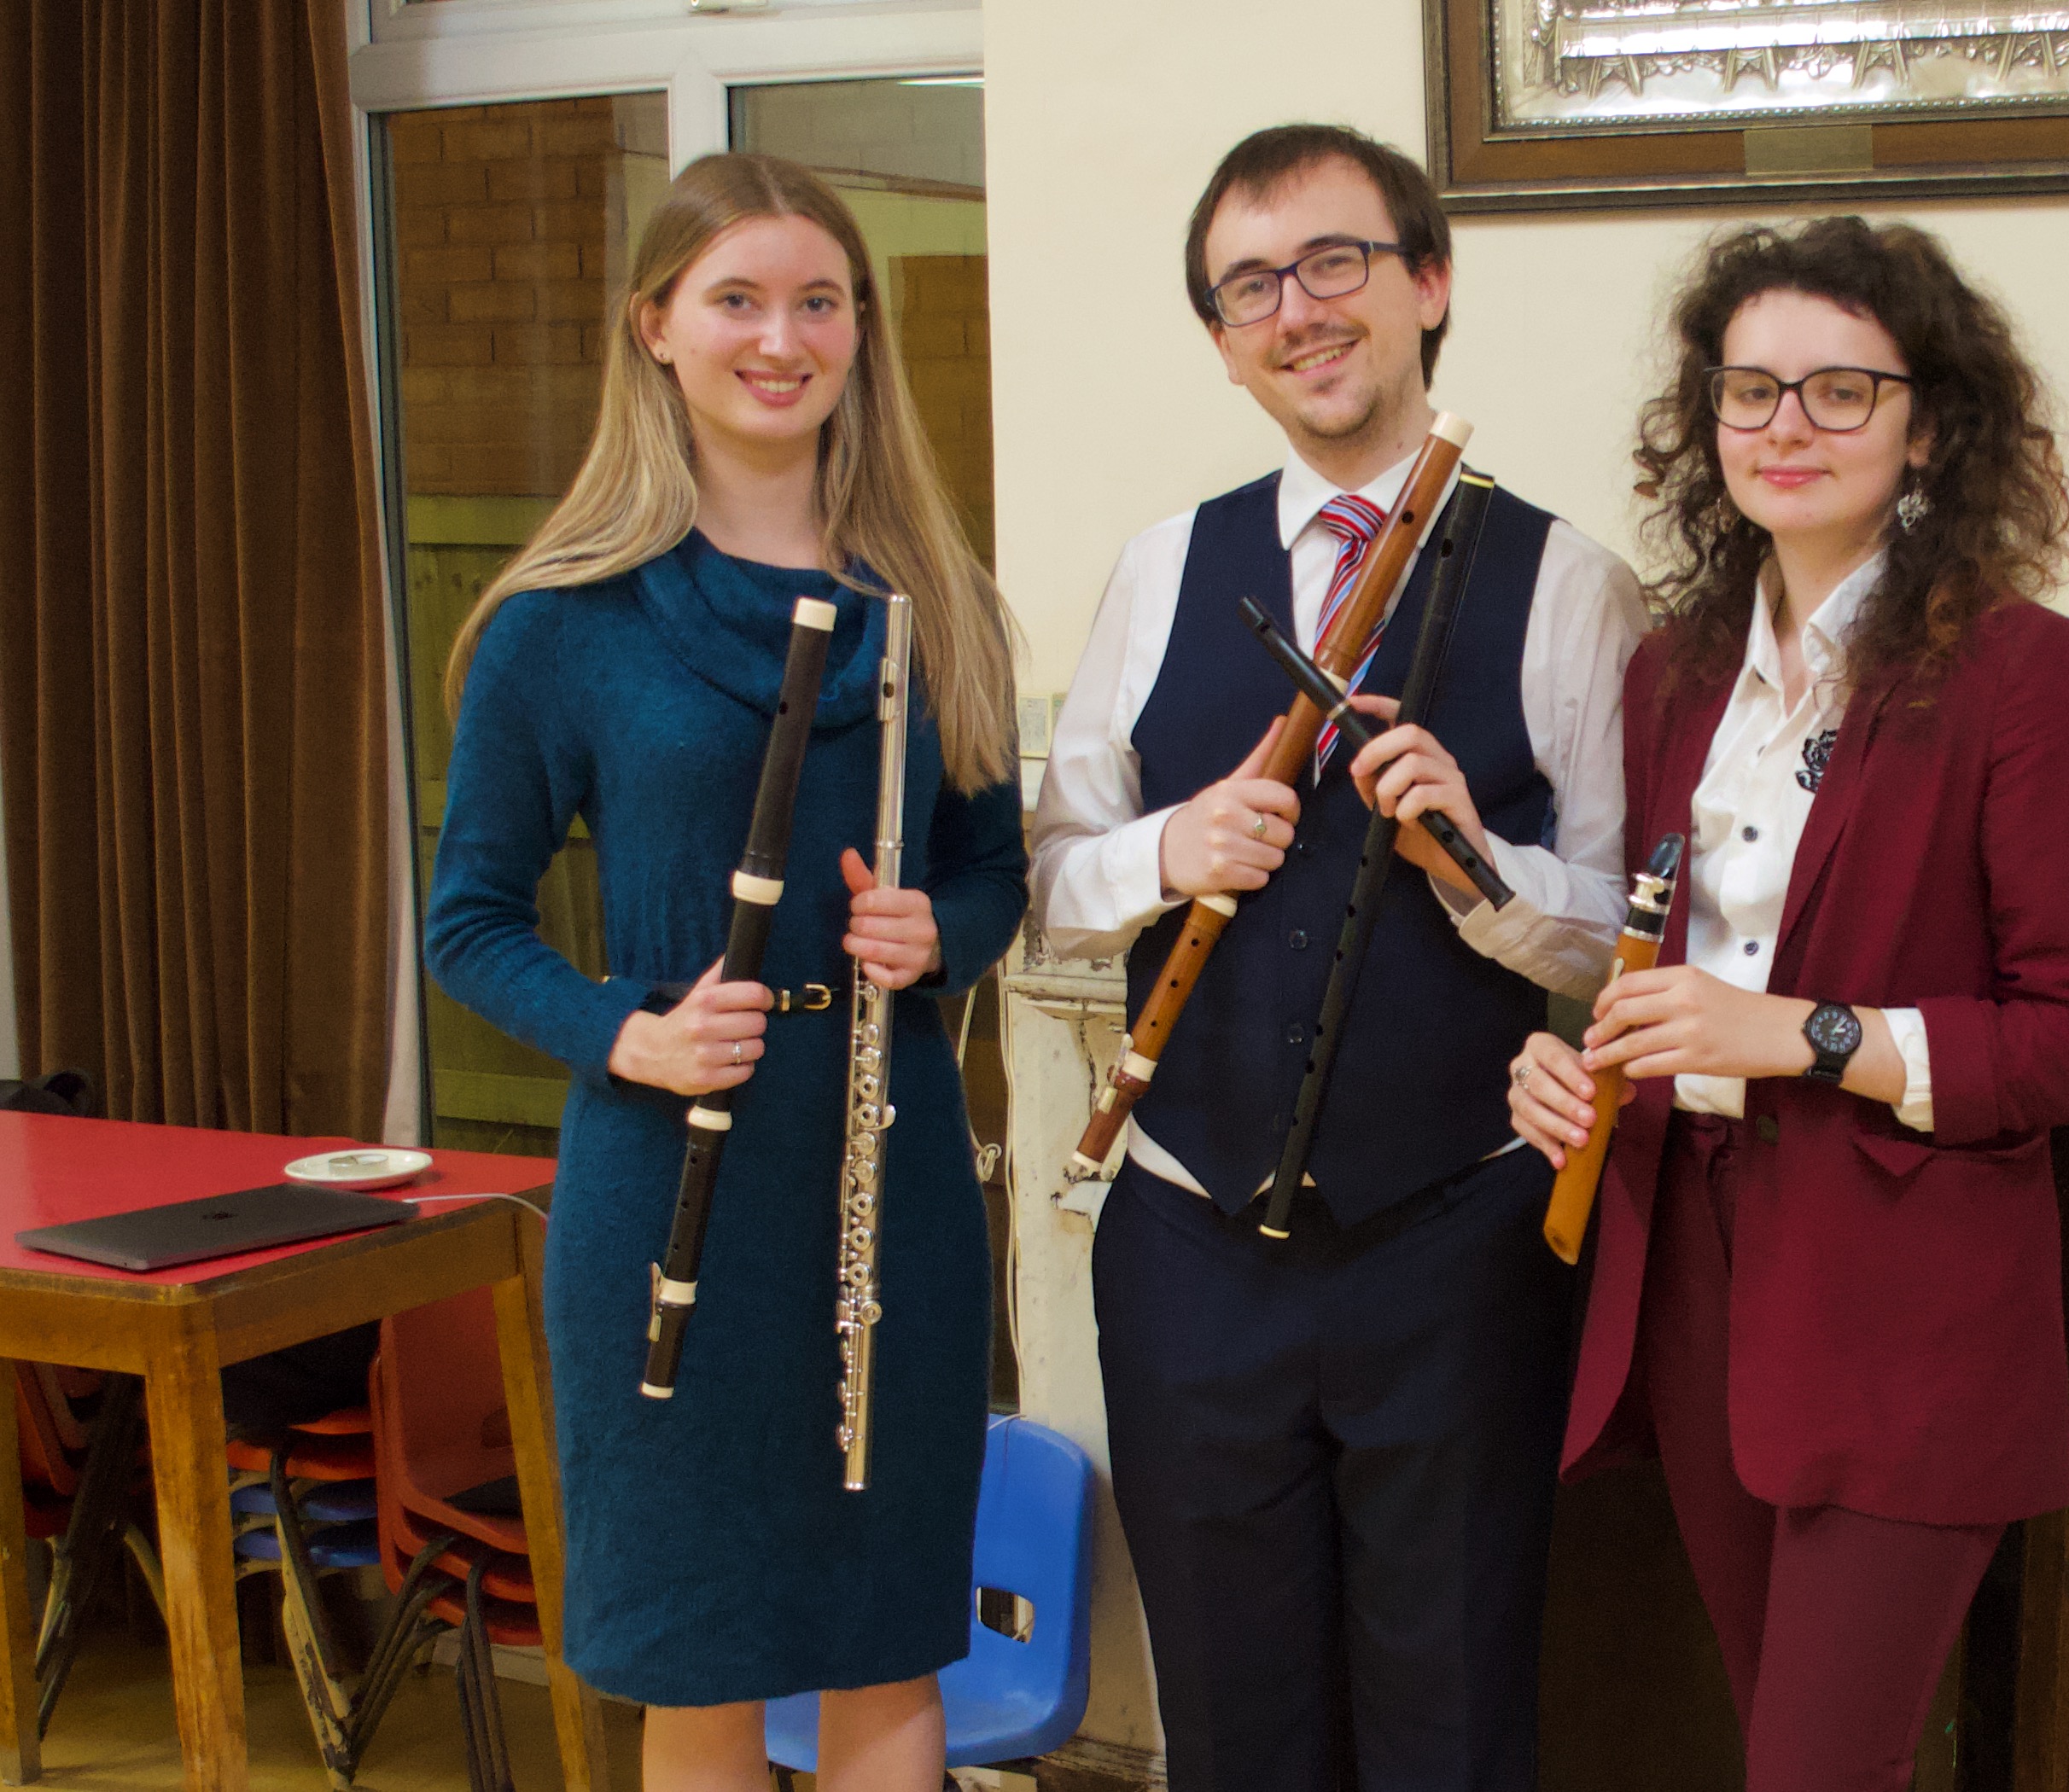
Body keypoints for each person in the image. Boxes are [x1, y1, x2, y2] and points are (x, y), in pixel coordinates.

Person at [1031, 124, 1646, 1792]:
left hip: (1453, 1249)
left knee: (1451, 1724)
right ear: (1222, 341)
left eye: (1333, 264)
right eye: (1250, 285)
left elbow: (1625, 941)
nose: (1296, 309)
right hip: (1184, 1241)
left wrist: (1472, 859)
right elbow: (1045, 880)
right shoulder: (1161, 569)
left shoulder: (1574, 586)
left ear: (1424, 284)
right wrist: (1170, 847)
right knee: (1232, 1734)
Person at [1506, 218, 2069, 1792]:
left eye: (1839, 391)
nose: (1784, 426)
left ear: (1927, 423)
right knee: (1780, 1743)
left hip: (1905, 1306)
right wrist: (1578, 1067)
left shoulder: (2021, 675)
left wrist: (1803, 1033)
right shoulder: (1673, 675)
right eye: (1749, 391)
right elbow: (1662, 973)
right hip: (1699, 1279)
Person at [426, 152, 1024, 1792]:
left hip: (882, 1186)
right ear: (658, 330)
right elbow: (467, 923)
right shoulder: (567, 622)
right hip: (666, 1194)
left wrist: (936, 937)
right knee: (695, 1655)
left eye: (818, 302)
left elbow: (993, 876)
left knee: (881, 1640)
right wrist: (631, 1035)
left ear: (858, 333)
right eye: (739, 300)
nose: (784, 338)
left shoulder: (937, 600)